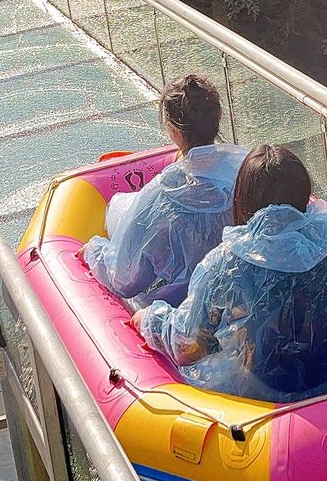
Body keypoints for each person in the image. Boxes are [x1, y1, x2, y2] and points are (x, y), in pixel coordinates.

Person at [132, 145, 327, 403]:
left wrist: (150, 320)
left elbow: (189, 347)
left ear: (243, 198)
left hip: (259, 401)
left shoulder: (225, 263)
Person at [82, 74, 247, 308]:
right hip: (238, 295)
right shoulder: (249, 169)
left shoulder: (163, 193)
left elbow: (123, 279)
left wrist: (95, 251)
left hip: (180, 307)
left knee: (118, 207)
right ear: (218, 117)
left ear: (173, 130)